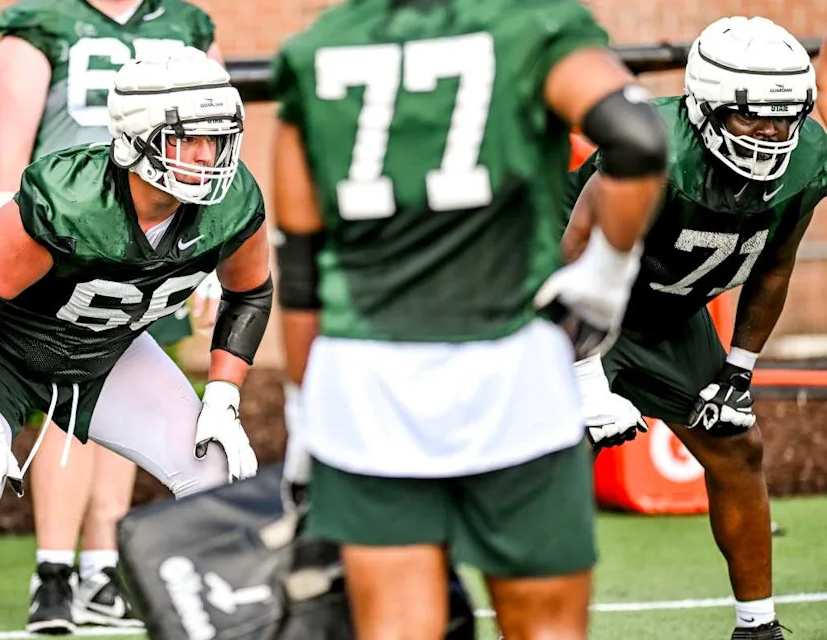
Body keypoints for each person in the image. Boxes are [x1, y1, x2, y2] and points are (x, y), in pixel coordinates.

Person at [272, 0, 668, 637]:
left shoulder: (316, 48)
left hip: (367, 383)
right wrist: (601, 285)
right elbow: (640, 139)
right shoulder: (529, 26)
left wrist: (301, 417)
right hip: (514, 370)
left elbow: (299, 276)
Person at [0, 51, 269, 640]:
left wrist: (225, 396)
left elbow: (250, 295)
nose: (208, 157)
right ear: (137, 138)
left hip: (106, 351)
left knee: (213, 474)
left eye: (218, 138)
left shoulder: (233, 201)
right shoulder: (70, 197)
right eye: (187, 139)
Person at [567, 17, 822, 640]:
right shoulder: (651, 148)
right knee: (545, 463)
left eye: (784, 116)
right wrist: (584, 378)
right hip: (564, 300)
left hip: (664, 315)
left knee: (739, 447)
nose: (771, 133)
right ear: (705, 108)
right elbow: (567, 260)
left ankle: (757, 629)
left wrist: (739, 369)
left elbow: (774, 265)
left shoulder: (807, 158)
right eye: (752, 116)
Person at [0, 0, 223, 630]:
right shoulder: (45, 20)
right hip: (65, 237)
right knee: (69, 405)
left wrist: (216, 252)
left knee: (127, 403)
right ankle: (54, 570)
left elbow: (220, 137)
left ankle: (99, 570)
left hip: (155, 236)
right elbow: (8, 149)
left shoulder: (186, 22)